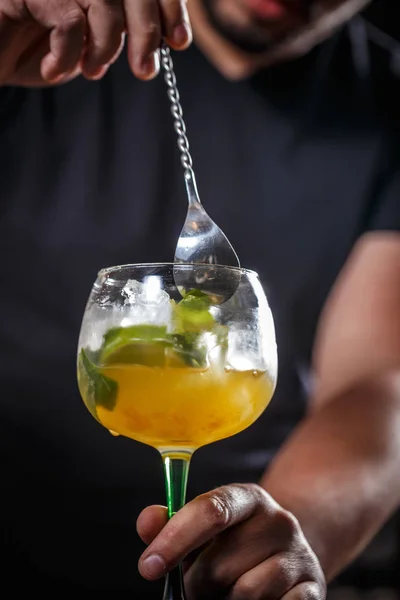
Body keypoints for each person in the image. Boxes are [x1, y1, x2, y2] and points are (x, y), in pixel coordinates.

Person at [0, 0, 399, 597]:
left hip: (250, 509)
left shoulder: (387, 104)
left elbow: (376, 385)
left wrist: (280, 546)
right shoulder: (43, 35)